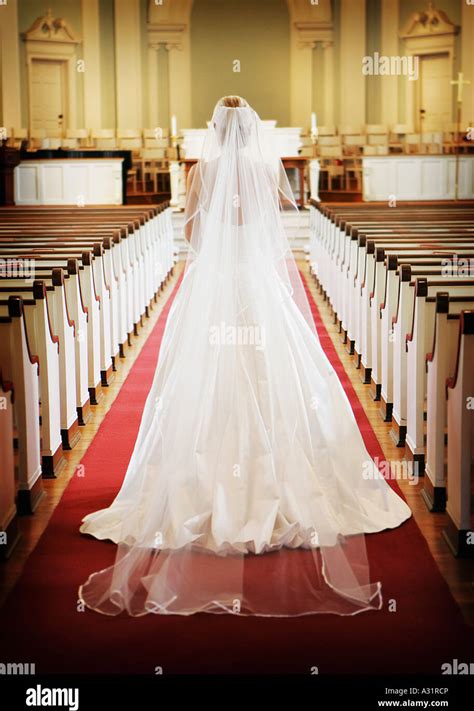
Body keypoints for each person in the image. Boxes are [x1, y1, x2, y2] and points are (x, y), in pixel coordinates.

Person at [79, 96, 411, 617]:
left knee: (204, 377)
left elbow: (190, 232)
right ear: (253, 132)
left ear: (213, 129)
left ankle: (203, 484)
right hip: (256, 288)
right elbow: (272, 231)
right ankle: (280, 479)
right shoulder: (261, 169)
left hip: (213, 286)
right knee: (273, 374)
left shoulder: (200, 171)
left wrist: (216, 244)